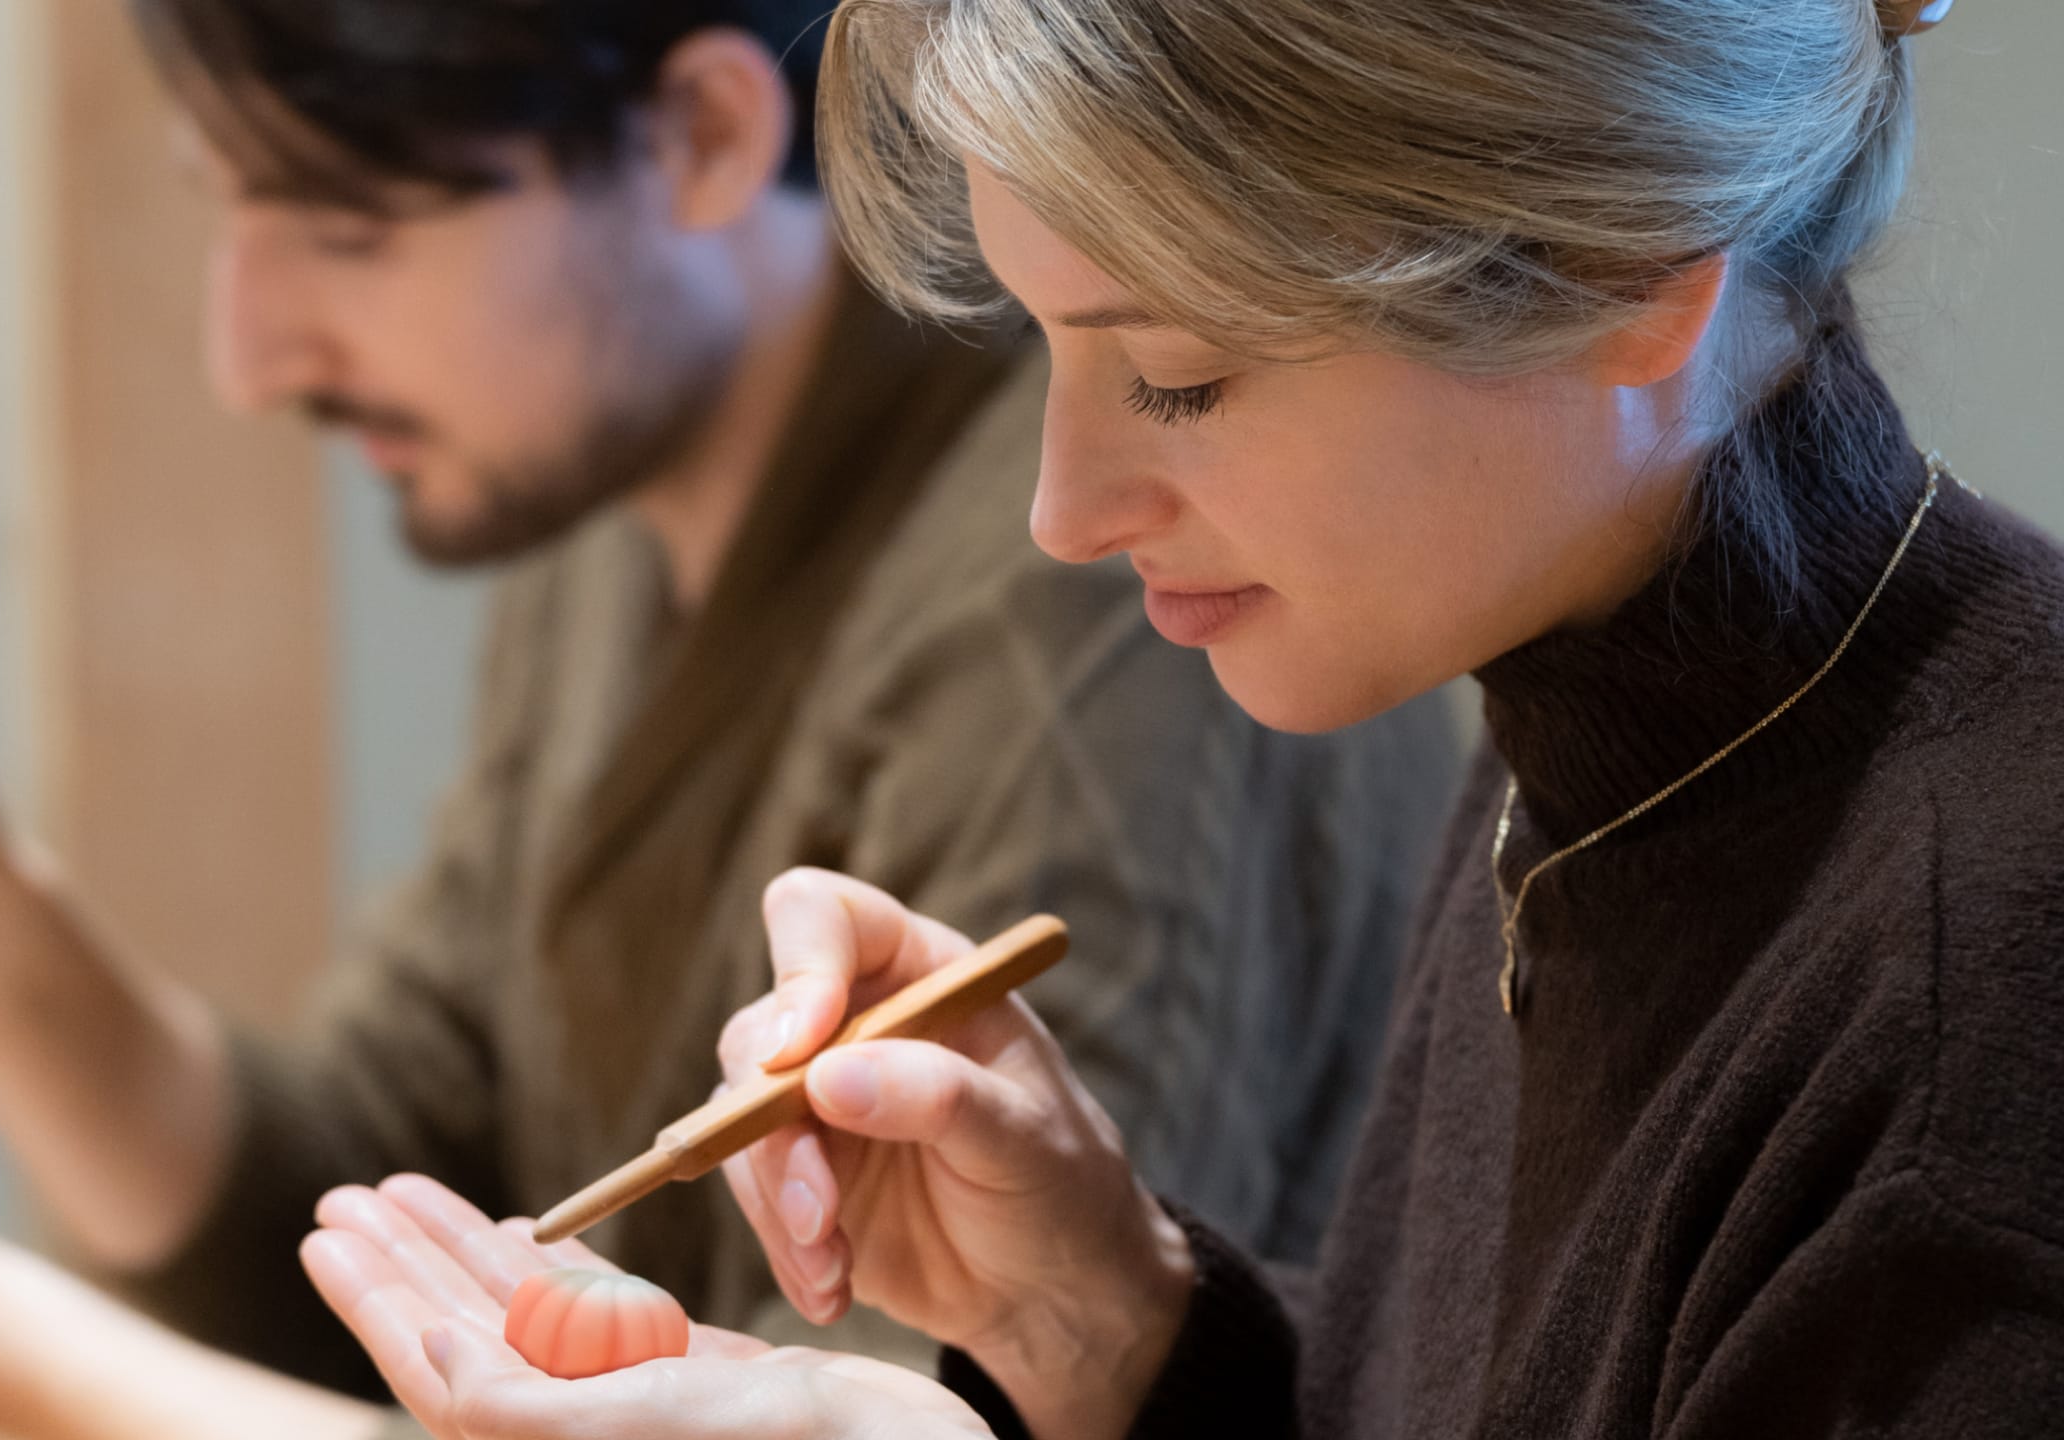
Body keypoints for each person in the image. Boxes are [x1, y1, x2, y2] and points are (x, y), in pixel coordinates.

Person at [0, 0, 1458, 1434]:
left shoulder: (1073, 611)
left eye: (347, 234)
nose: (246, 347)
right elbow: (379, 1177)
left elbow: (943, 1415)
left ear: (698, 133)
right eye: (226, 217)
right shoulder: (614, 508)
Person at [299, 0, 2064, 1435]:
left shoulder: (1969, 1016)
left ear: (1621, 273)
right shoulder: (1603, 718)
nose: (1065, 508)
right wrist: (1109, 1323)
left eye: (1178, 377)